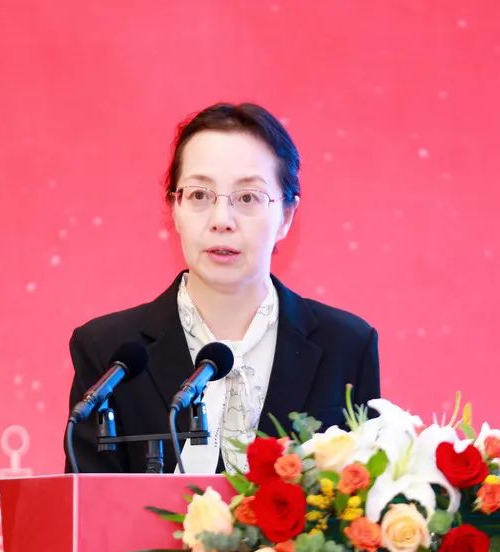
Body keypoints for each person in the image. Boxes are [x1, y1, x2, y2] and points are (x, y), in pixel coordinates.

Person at [65, 102, 380, 474]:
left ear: (286, 216)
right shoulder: (108, 353)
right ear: (175, 208)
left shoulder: (345, 346)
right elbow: (87, 504)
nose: (221, 220)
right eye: (200, 195)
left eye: (247, 198)